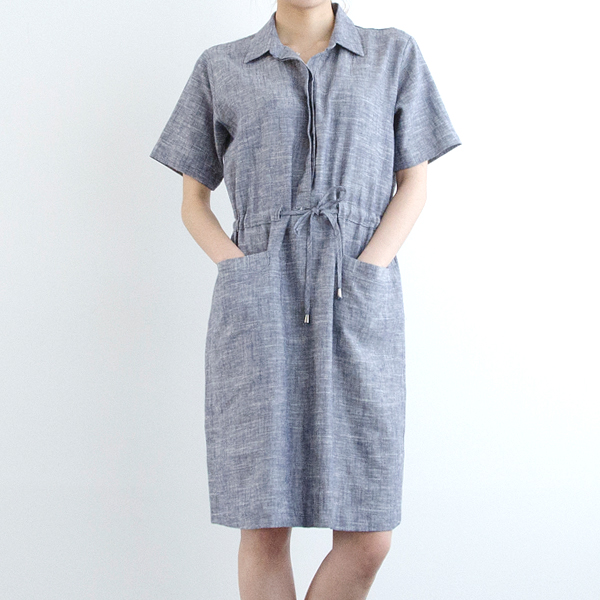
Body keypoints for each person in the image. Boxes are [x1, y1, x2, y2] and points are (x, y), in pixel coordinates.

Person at [149, 1, 461, 598]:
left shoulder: (392, 54)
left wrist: (370, 266)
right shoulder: (221, 66)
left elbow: (414, 182)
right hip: (259, 304)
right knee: (265, 521)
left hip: (358, 296)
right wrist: (239, 269)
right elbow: (193, 202)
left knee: (369, 534)